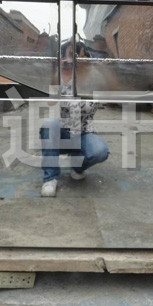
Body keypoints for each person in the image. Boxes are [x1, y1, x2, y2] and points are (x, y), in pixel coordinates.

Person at [40, 42, 109, 197]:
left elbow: (108, 94)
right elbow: (50, 102)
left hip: (85, 131)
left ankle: (77, 166)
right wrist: (60, 77)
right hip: (64, 130)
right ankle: (50, 178)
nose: (68, 60)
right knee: (49, 124)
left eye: (74, 55)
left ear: (85, 57)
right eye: (64, 56)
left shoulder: (95, 77)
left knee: (100, 151)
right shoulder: (59, 76)